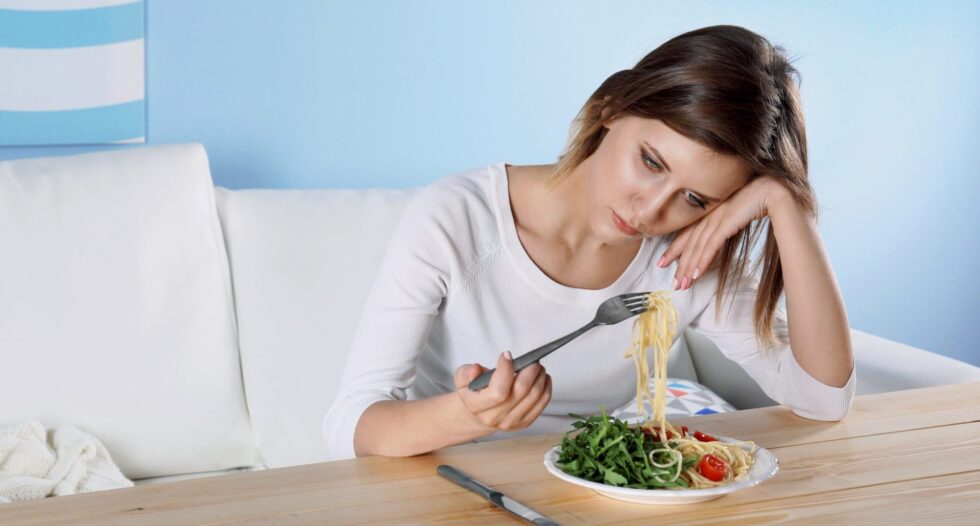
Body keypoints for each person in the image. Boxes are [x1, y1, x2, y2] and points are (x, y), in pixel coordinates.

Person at [323, 25, 856, 460]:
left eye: (694, 197)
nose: (650, 211)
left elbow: (823, 398)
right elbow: (352, 425)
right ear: (612, 108)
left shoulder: (686, 254)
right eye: (650, 162)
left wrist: (788, 203)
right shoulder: (458, 218)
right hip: (443, 480)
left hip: (592, 492)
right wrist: (467, 415)